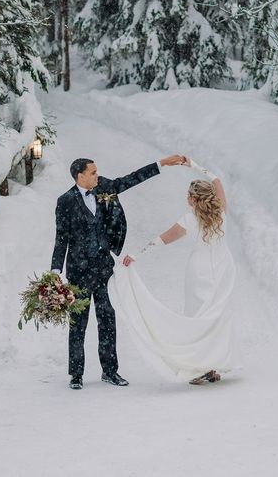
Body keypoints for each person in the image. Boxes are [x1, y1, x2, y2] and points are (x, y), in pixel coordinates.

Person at [50, 154, 186, 390]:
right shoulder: (65, 201)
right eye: (92, 172)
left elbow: (129, 180)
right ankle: (76, 374)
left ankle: (110, 371)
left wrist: (161, 164)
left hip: (104, 269)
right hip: (78, 273)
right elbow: (61, 238)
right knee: (78, 323)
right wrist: (55, 270)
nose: (97, 175)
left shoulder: (104, 188)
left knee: (107, 321)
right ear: (79, 176)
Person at [109, 158, 238, 385]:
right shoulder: (222, 213)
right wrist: (194, 165)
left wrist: (138, 254)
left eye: (188, 195)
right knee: (216, 317)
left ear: (194, 200)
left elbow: (163, 239)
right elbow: (216, 179)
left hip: (199, 273)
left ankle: (199, 366)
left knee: (197, 317)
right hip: (222, 268)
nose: (186, 198)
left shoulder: (189, 220)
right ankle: (211, 365)